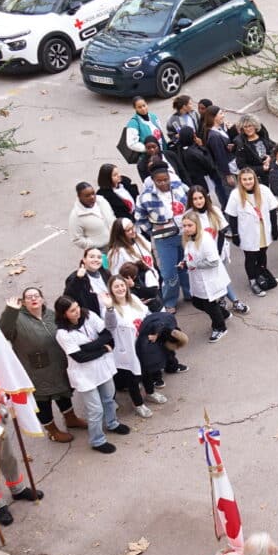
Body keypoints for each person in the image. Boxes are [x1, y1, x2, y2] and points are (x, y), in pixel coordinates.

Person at [0, 288, 81, 441]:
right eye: (29, 297)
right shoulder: (16, 318)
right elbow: (2, 333)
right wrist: (10, 312)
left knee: (63, 393)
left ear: (42, 299)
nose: (33, 299)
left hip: (58, 364)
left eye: (36, 296)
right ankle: (53, 431)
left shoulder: (51, 314)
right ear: (23, 302)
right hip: (35, 370)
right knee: (43, 401)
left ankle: (71, 419)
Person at [53, 296, 127, 453]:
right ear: (63, 314)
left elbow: (107, 335)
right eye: (72, 310)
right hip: (84, 375)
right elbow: (80, 357)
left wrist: (87, 347)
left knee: (109, 399)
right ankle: (97, 440)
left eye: (77, 306)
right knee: (95, 410)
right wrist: (102, 348)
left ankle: (112, 423)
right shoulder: (62, 333)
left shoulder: (89, 315)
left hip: (102, 368)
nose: (77, 311)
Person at [100, 276, 162, 418]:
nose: (120, 289)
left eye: (122, 285)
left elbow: (147, 315)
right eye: (116, 287)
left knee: (146, 370)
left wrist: (154, 331)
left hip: (142, 343)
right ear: (111, 290)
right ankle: (138, 403)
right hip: (126, 349)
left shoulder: (133, 299)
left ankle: (150, 392)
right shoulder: (110, 309)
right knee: (132, 377)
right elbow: (110, 326)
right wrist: (109, 307)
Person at [133, 163, 191, 312]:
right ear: (153, 180)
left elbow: (191, 199)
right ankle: (170, 300)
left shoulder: (178, 186)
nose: (164, 183)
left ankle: (189, 293)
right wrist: (152, 231)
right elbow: (139, 218)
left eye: (166, 179)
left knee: (186, 266)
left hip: (184, 234)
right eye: (159, 181)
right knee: (169, 272)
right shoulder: (145, 197)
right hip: (164, 239)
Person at [224, 167, 278, 296]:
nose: (248, 182)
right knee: (250, 257)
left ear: (254, 179)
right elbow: (232, 216)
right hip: (247, 233)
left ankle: (263, 275)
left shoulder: (264, 190)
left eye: (250, 179)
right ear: (240, 181)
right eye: (244, 179)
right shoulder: (235, 195)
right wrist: (235, 234)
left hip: (263, 229)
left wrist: (275, 228)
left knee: (262, 254)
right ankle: (253, 281)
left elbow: (272, 211)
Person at [180, 214, 231, 342]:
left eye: (190, 225)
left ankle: (220, 327)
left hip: (209, 279)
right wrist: (184, 262)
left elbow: (213, 262)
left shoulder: (205, 240)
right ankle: (223, 314)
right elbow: (190, 256)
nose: (186, 228)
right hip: (197, 280)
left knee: (209, 304)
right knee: (197, 303)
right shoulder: (188, 239)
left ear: (197, 225)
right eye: (184, 226)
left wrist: (190, 264)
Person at [68, 182, 116, 253]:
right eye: (87, 195)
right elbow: (76, 239)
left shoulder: (101, 200)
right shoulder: (76, 216)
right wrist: (94, 244)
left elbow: (111, 214)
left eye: (93, 193)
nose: (92, 197)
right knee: (108, 264)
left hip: (117, 242)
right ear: (79, 197)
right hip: (101, 251)